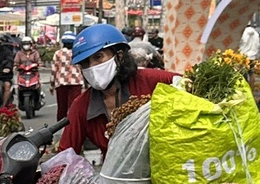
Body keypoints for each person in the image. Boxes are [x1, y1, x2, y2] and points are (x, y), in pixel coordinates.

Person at [57, 23, 174, 157]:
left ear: (119, 55)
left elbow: (189, 85)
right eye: (85, 63)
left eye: (98, 57)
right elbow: (65, 154)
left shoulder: (152, 81)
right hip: (115, 176)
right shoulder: (82, 106)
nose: (92, 67)